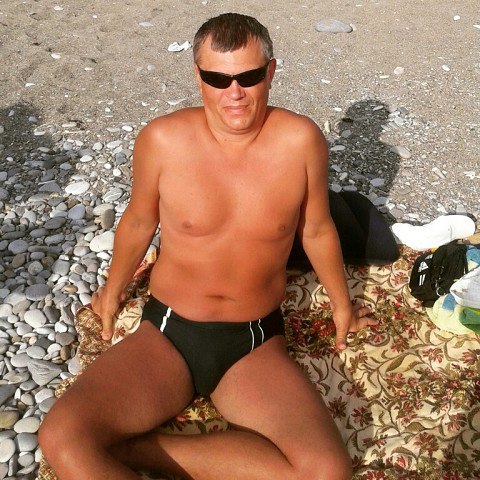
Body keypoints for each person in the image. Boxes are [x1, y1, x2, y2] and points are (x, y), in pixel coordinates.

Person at [39, 13, 377, 480]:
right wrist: (113, 292)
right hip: (169, 332)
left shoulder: (300, 141)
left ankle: (136, 450)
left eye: (248, 77)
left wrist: (342, 306)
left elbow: (316, 229)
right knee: (62, 437)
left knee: (326, 472)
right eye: (218, 79)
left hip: (254, 341)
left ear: (271, 72)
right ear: (198, 77)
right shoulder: (162, 140)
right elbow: (139, 221)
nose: (233, 93)